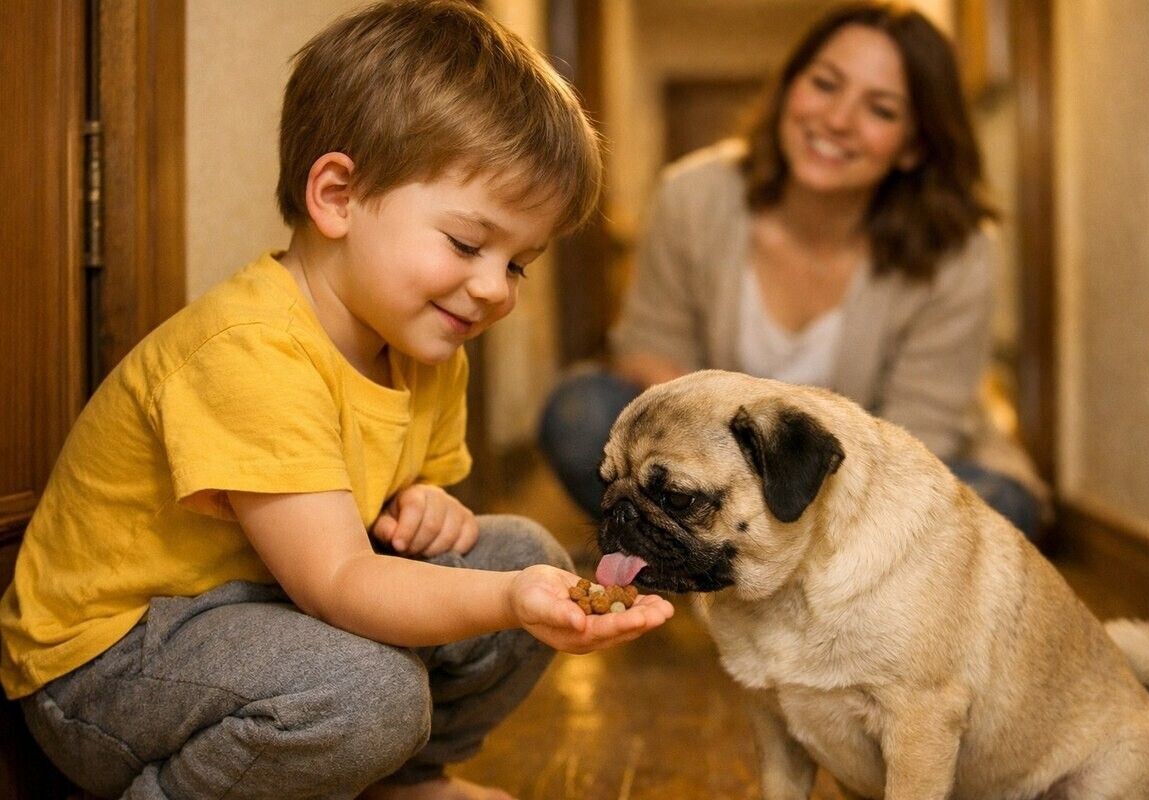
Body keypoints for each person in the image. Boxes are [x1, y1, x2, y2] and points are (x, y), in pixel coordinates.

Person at [0, 3, 674, 799]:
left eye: (518, 265)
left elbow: (381, 501)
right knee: (374, 687)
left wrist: (422, 502)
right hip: (115, 662)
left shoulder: (427, 346)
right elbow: (338, 580)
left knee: (519, 551)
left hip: (255, 608)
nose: (494, 289)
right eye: (466, 244)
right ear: (338, 194)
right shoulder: (251, 350)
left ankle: (396, 779)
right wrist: (505, 598)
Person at [539, 1, 1049, 541]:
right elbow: (649, 352)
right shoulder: (693, 195)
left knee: (1001, 510)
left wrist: (789, 482)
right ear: (789, 87)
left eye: (881, 110)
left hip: (872, 482)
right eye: (825, 84)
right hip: (710, 471)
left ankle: (753, 566)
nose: (837, 120)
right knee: (580, 413)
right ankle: (717, 554)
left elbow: (916, 439)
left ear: (913, 146)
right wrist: (729, 472)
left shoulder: (957, 248)